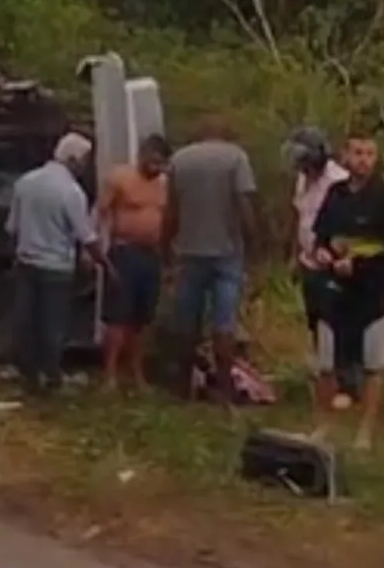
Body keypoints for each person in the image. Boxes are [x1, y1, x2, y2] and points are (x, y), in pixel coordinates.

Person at [308, 131, 384, 452]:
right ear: (345, 157)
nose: (363, 160)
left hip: (373, 295)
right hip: (334, 294)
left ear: (376, 158)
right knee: (326, 363)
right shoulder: (335, 194)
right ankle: (325, 425)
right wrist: (323, 252)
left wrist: (361, 264)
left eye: (369, 153)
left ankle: (364, 433)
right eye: (357, 153)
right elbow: (320, 237)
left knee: (372, 366)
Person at [163, 113, 261, 404]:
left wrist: (164, 246)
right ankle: (225, 388)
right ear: (225, 133)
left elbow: (171, 210)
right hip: (226, 252)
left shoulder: (180, 159)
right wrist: (252, 242)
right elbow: (244, 204)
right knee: (224, 323)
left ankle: (182, 385)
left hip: (189, 251)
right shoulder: (236, 158)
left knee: (186, 321)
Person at [6, 132, 104, 397]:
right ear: (73, 160)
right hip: (56, 268)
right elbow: (86, 236)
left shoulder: (25, 182)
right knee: (54, 324)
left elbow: (12, 228)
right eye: (83, 160)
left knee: (26, 321)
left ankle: (28, 376)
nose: (85, 166)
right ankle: (51, 376)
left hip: (26, 263)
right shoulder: (71, 192)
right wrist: (105, 264)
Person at [94, 133, 173, 392]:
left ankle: (137, 375)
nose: (155, 168)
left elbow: (169, 219)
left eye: (160, 163)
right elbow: (101, 212)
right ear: (142, 155)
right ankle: (110, 375)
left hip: (151, 254)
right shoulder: (120, 178)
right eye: (152, 161)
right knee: (118, 316)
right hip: (124, 251)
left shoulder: (163, 185)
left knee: (142, 318)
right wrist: (95, 248)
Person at [284, 127, 349, 374]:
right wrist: (293, 255)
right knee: (314, 317)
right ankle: (324, 368)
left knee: (335, 319)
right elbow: (298, 216)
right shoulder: (302, 179)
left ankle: (343, 373)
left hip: (333, 262)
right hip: (308, 261)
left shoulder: (339, 181)